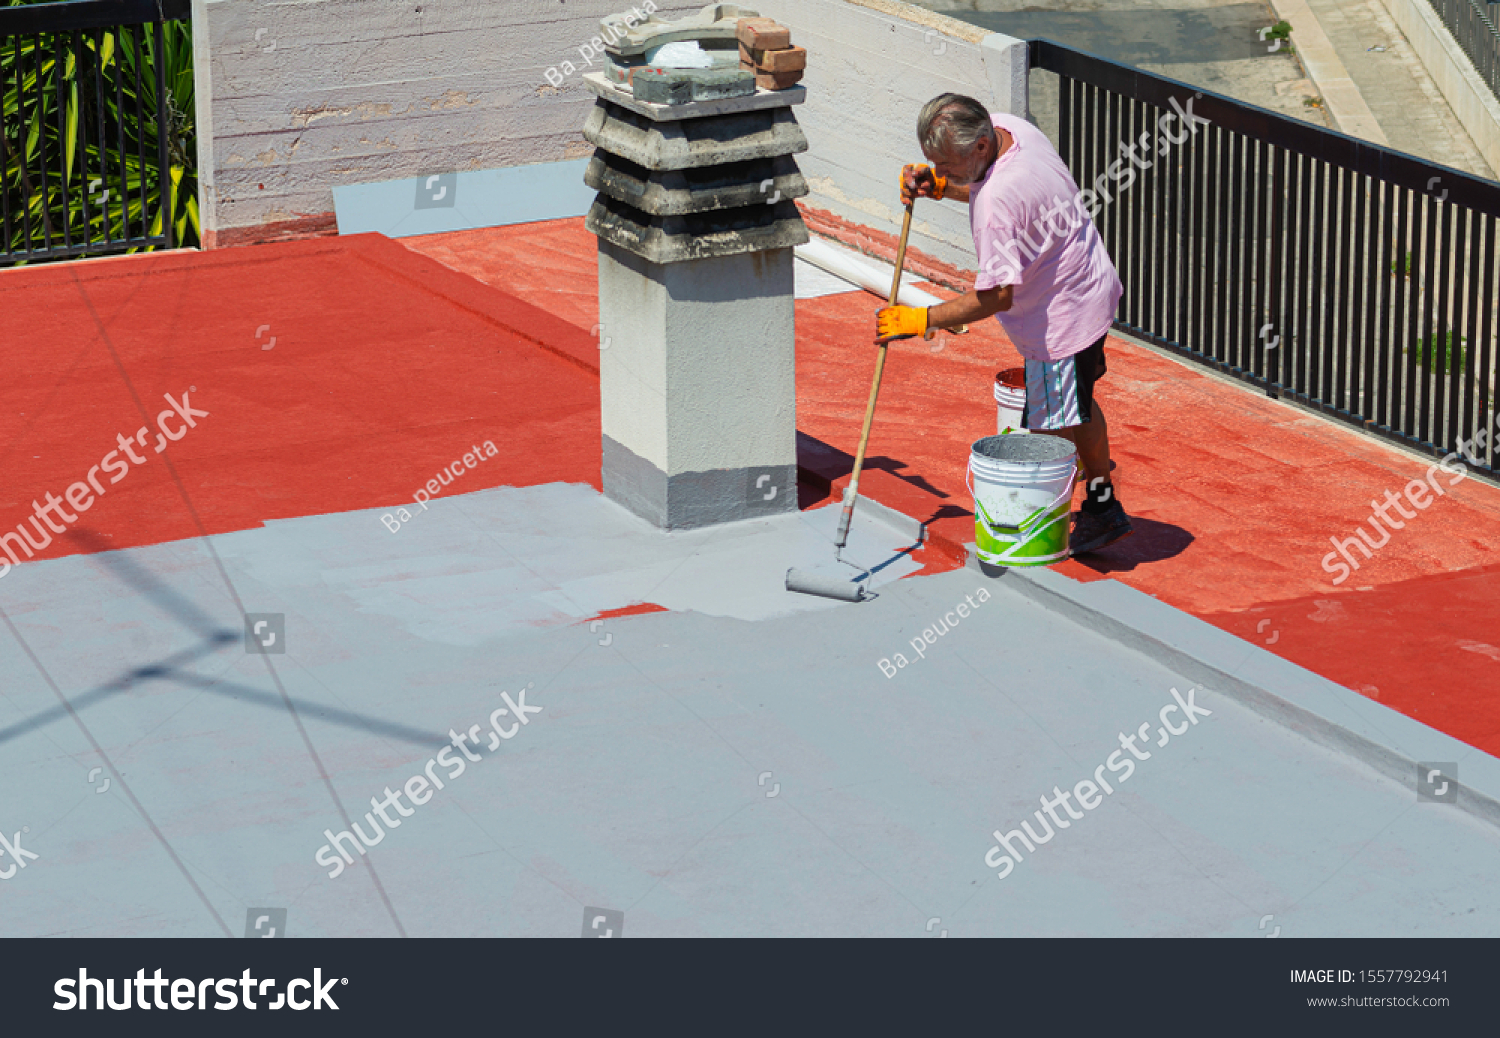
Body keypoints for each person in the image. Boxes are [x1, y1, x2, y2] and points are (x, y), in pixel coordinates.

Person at [874, 92, 1132, 556]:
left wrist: (921, 318)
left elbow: (996, 295)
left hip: (1060, 323)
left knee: (1049, 432)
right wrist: (940, 187)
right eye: (935, 164)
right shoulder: (1014, 129)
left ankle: (1048, 526)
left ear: (980, 146)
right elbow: (995, 194)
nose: (943, 171)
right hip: (1091, 288)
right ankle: (1100, 496)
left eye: (947, 166)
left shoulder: (995, 205)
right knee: (1081, 405)